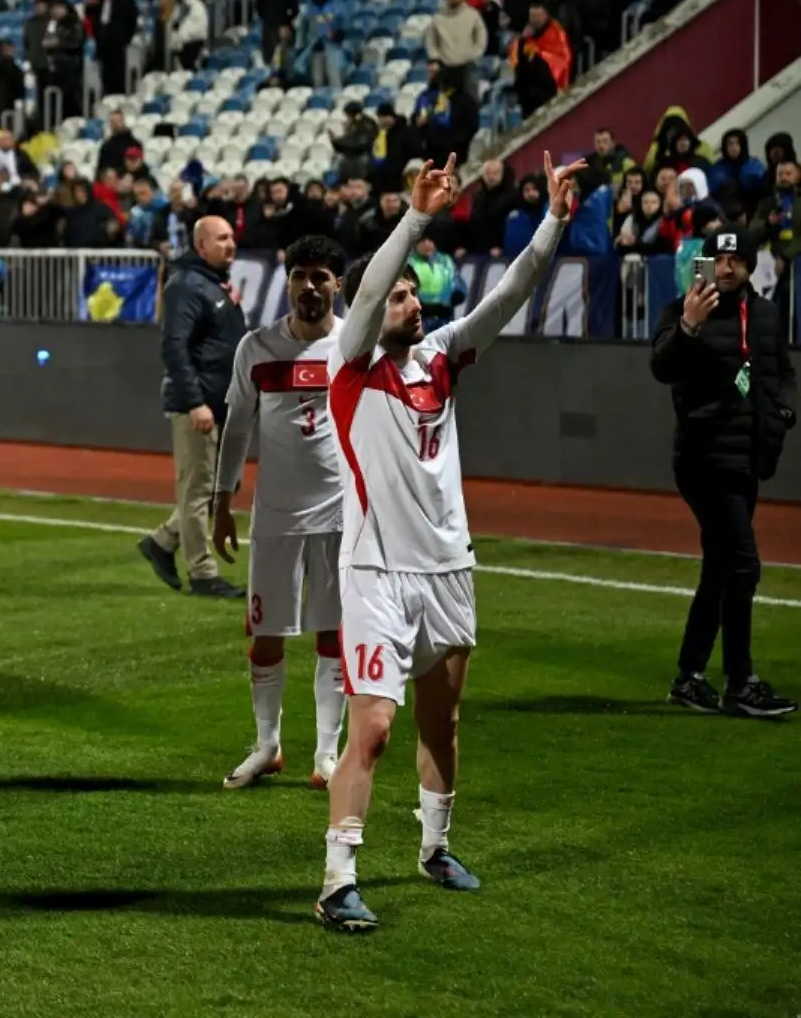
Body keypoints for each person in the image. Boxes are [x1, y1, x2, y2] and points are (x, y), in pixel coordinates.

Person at [316, 152, 587, 933]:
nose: (411, 302)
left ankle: (435, 847)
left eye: (414, 293)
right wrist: (418, 215)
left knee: (444, 723)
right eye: (400, 295)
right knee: (372, 727)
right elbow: (366, 291)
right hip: (375, 572)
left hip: (449, 568)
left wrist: (555, 221)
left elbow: (510, 295)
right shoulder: (353, 364)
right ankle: (337, 881)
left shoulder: (443, 358)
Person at [210, 236, 349, 792]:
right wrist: (221, 502)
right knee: (267, 634)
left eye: (320, 276)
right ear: (288, 282)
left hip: (342, 515)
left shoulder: (354, 345)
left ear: (337, 285)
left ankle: (326, 753)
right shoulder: (257, 348)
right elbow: (237, 426)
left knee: (335, 634)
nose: (309, 287)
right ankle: (267, 745)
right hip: (274, 516)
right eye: (300, 276)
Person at [652, 227, 797, 718]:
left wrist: (781, 413)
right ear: (705, 264)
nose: (728, 267)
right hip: (703, 458)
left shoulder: (767, 315)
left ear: (750, 264)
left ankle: (690, 676)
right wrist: (689, 326)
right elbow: (662, 367)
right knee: (743, 564)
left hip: (746, 458)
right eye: (718, 259)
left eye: (736, 259)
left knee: (721, 566)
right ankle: (740, 680)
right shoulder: (683, 309)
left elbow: (780, 371)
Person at [137, 215, 247, 600]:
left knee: (220, 487)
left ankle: (163, 542)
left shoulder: (212, 283)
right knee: (200, 489)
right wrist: (196, 402)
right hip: (198, 405)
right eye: (221, 239)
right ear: (201, 245)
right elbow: (174, 346)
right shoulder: (186, 285)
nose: (230, 244)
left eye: (232, 237)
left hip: (222, 402)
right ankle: (203, 573)